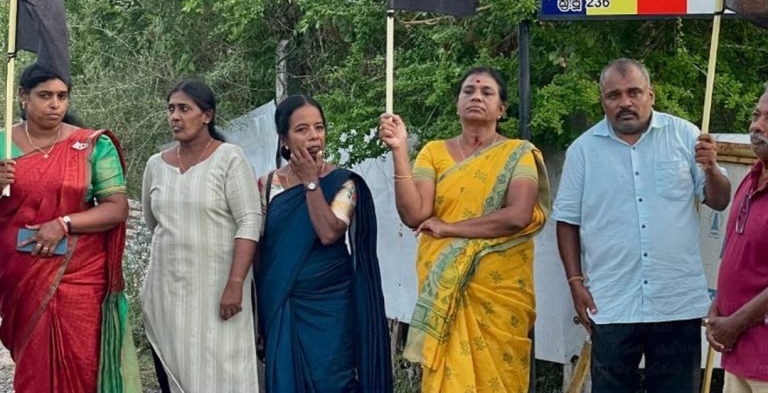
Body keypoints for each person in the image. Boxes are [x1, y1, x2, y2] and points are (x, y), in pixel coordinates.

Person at [554, 58, 732, 393]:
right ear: (602, 100)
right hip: (612, 302)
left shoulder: (685, 136)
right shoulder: (583, 151)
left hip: (675, 302)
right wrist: (575, 282)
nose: (625, 102)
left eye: (634, 92)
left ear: (651, 95)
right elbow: (567, 221)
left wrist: (711, 169)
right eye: (614, 95)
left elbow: (719, 200)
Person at [379, 67, 552, 393]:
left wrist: (450, 228)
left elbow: (517, 215)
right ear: (457, 105)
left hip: (499, 297)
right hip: (446, 289)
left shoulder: (519, 154)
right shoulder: (433, 152)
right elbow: (415, 214)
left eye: (487, 92)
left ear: (501, 109)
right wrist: (399, 149)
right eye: (468, 91)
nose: (476, 97)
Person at [0, 63, 140, 392]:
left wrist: (63, 223)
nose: (55, 104)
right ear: (23, 97)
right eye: (45, 96)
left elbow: (117, 207)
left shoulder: (91, 145)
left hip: (81, 276)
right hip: (21, 275)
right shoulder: (4, 146)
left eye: (62, 96)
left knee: (84, 362)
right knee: (35, 367)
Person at [257, 94, 392, 393]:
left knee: (334, 380)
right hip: (282, 302)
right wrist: (260, 313)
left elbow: (329, 233)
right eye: (302, 129)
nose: (314, 136)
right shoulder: (267, 186)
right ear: (284, 138)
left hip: (331, 304)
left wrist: (311, 182)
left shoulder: (344, 182)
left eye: (319, 127)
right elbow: (260, 249)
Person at [141, 79, 261, 392]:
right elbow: (155, 224)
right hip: (167, 293)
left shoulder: (230, 158)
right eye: (171, 109)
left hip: (220, 291)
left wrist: (235, 283)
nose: (175, 116)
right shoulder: (155, 166)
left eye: (184, 109)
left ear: (207, 115)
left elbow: (250, 221)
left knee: (223, 371)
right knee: (177, 371)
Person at [706, 85, 768, 393]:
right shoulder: (752, 179)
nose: (757, 126)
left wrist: (734, 323)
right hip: (738, 354)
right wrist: (717, 309)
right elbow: (735, 256)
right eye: (757, 115)